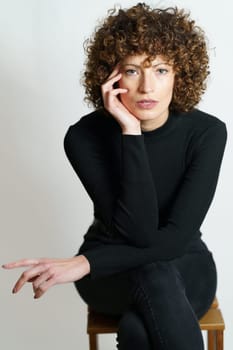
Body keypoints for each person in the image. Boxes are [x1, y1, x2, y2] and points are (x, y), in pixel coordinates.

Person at [2, 3, 227, 350]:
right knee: (154, 275)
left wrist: (86, 262)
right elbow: (137, 232)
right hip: (112, 275)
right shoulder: (84, 137)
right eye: (133, 70)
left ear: (181, 74)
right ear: (111, 76)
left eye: (162, 70)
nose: (148, 86)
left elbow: (174, 240)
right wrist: (130, 131)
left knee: (141, 325)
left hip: (183, 261)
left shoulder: (207, 133)